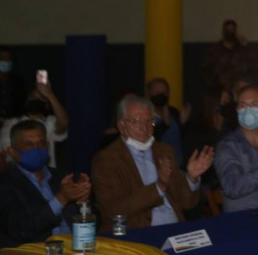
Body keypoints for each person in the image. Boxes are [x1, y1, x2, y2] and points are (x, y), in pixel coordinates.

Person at [91, 96, 214, 232]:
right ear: (121, 126)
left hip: (174, 229)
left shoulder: (163, 151)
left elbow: (187, 203)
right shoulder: (106, 159)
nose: (144, 128)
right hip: (135, 234)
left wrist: (192, 178)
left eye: (149, 121)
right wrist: (158, 187)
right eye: (136, 121)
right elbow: (114, 209)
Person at [0, 120, 89, 250]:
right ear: (12, 152)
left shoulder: (65, 178)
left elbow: (96, 225)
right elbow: (20, 229)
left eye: (41, 143)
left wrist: (83, 204)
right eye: (28, 145)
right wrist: (60, 199)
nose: (37, 149)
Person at [147, 78, 188, 166]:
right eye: (157, 93)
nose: (161, 96)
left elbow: (182, 139)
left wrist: (183, 124)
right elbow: (152, 137)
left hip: (178, 166)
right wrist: (165, 124)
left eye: (164, 93)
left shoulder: (174, 113)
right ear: (149, 94)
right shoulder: (145, 116)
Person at [203, 20, 251, 90]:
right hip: (219, 86)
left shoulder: (242, 49)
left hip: (239, 85)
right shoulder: (214, 50)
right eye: (228, 30)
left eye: (232, 30)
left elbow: (252, 66)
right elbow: (207, 70)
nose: (230, 32)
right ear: (223, 31)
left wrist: (246, 47)